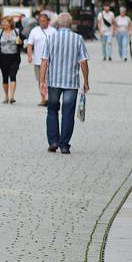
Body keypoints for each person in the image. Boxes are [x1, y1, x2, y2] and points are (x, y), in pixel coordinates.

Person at [39, 12, 90, 155]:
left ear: (58, 24)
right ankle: (64, 145)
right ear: (71, 24)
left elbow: (44, 61)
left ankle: (53, 141)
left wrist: (42, 81)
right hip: (71, 82)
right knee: (68, 113)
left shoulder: (50, 38)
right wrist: (86, 81)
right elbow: (83, 62)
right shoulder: (78, 39)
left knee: (52, 110)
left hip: (54, 81)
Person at [26, 13, 57, 106]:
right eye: (41, 21)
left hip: (51, 60)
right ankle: (43, 98)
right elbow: (29, 44)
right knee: (41, 80)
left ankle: (49, 98)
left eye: (44, 21)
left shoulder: (53, 31)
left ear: (48, 21)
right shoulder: (34, 31)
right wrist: (30, 55)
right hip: (38, 60)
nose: (42, 23)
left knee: (50, 80)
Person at [0, 16, 22, 104]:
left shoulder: (16, 32)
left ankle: (12, 96)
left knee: (13, 75)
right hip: (3, 57)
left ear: (10, 23)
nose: (3, 24)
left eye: (5, 22)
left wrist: (21, 42)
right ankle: (6, 96)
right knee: (5, 77)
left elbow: (23, 42)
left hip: (14, 57)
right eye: (2, 22)